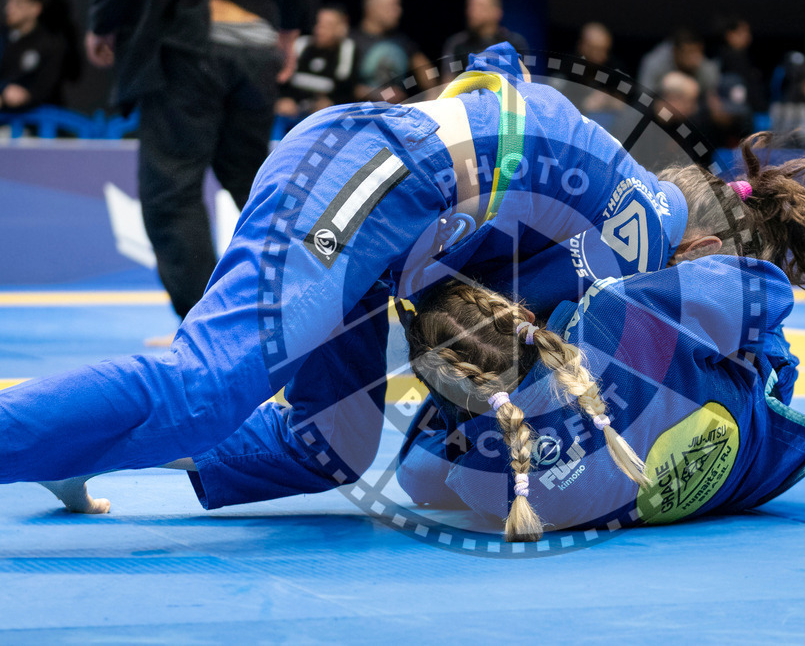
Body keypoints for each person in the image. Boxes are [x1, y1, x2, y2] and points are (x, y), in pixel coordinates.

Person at [0, 43, 692, 508]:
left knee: (331, 445)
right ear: (705, 245)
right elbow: (494, 338)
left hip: (395, 216)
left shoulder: (616, 206)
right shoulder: (648, 228)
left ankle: (76, 446)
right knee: (209, 385)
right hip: (373, 175)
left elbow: (497, 69)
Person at [396, 134, 805, 540]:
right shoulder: (648, 322)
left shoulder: (624, 315)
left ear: (700, 253)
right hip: (756, 470)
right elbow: (765, 295)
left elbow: (418, 474)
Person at [85, 0, 320, 323]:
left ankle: (206, 326)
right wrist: (290, 29)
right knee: (255, 184)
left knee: (172, 193)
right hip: (259, 40)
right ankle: (316, 298)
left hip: (193, 36)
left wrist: (104, 22)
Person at [351, 0, 434, 101]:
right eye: (391, 6)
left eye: (398, 5)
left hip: (396, 113)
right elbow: (341, 86)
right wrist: (375, 93)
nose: (398, 11)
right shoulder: (351, 41)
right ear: (371, 8)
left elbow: (428, 73)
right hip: (360, 113)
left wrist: (433, 94)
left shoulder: (403, 42)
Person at [276, 5, 357, 119]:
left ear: (340, 29)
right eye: (318, 23)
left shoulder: (346, 49)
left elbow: (348, 89)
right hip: (294, 110)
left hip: (326, 114)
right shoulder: (301, 44)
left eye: (328, 25)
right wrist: (284, 98)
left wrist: (332, 102)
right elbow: (282, 79)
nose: (320, 29)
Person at [0, 0, 66, 112]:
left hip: (33, 122)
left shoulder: (49, 44)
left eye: (18, 3)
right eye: (10, 1)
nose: (9, 8)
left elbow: (46, 89)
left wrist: (24, 95)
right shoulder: (3, 37)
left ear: (36, 8)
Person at [440, 0, 528, 78]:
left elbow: (524, 80)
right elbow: (448, 82)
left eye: (480, 6)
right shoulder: (457, 44)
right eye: (470, 6)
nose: (471, 11)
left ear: (497, 12)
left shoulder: (514, 42)